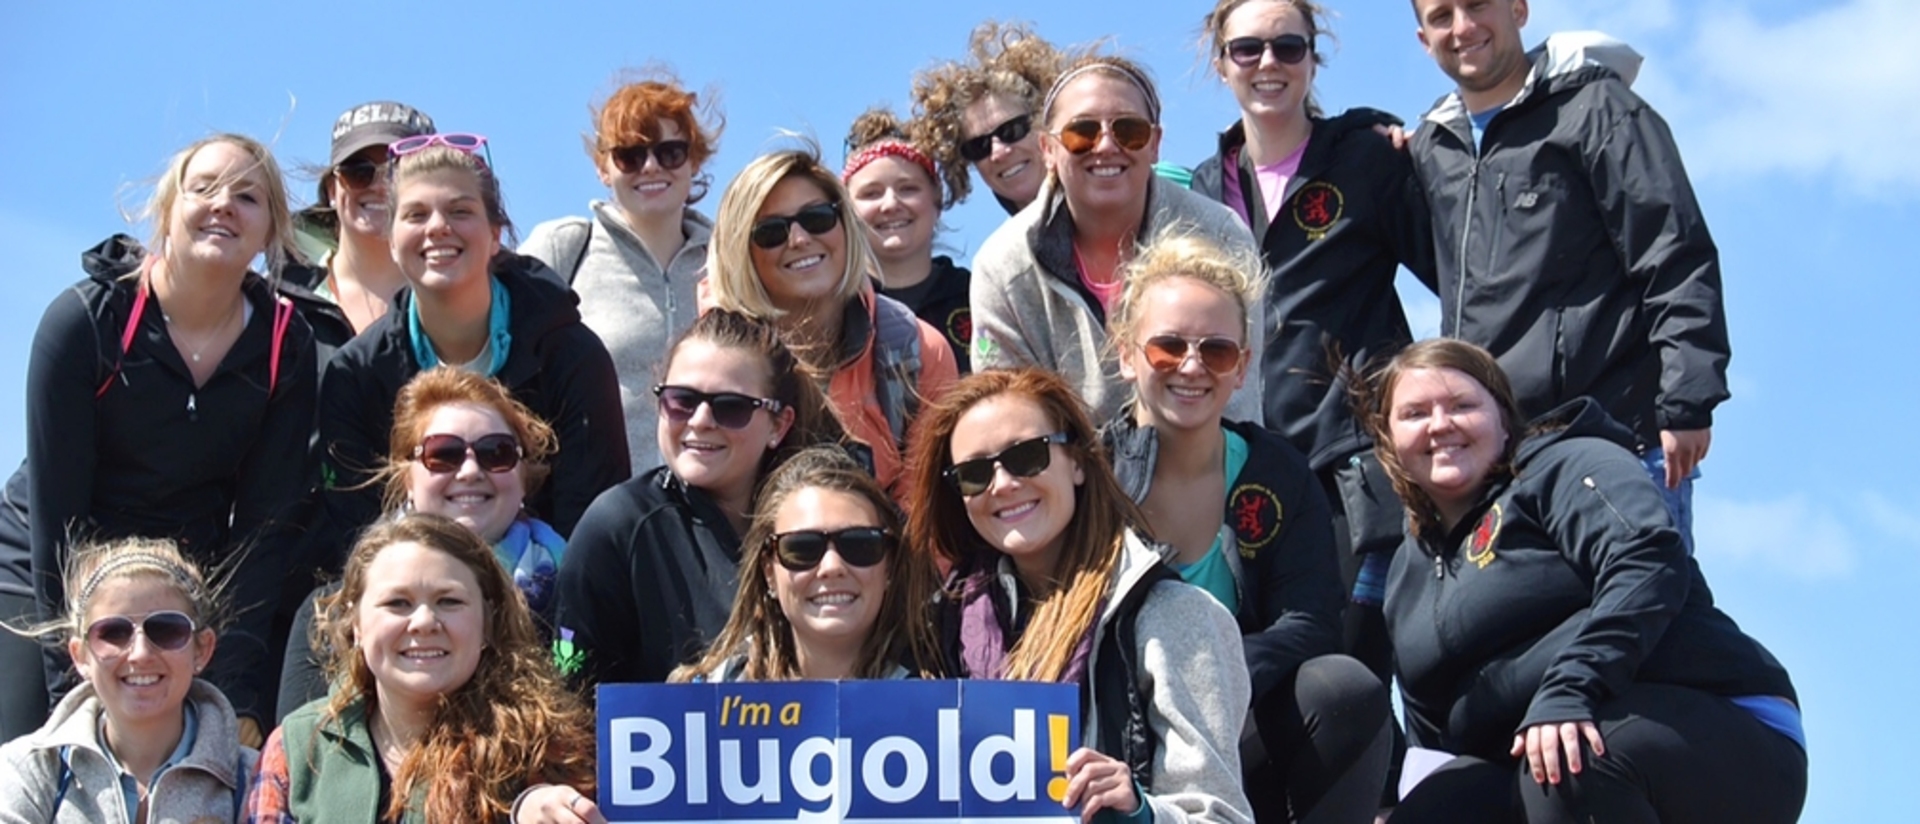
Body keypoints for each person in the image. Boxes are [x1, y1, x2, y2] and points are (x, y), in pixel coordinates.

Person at [1355, 339, 1804, 823]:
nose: (1441, 424)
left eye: (1463, 405)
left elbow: (1647, 561)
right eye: (1416, 413)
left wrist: (1571, 688)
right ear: (1389, 441)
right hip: (1532, 757)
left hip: (1715, 724)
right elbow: (1432, 732)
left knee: (1565, 766)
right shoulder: (1405, 572)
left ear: (1504, 419)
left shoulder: (1567, 465)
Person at [0, 134, 316, 746]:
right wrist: (75, 686)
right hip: (45, 572)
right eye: (203, 188)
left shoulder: (286, 345)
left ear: (271, 228)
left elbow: (262, 530)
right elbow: (56, 515)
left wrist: (238, 688)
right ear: (167, 210)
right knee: (30, 752)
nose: (224, 204)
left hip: (176, 583)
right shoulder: (87, 320)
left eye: (248, 196)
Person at [1406, 0, 1726, 548]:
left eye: (1478, 5)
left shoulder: (1597, 109)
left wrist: (1687, 400)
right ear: (1423, 38)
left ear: (1518, 9)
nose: (1462, 27)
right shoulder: (1434, 148)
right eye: (1442, 16)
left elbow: (1673, 252)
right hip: (1498, 463)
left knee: (1642, 621)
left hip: (1621, 441)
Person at [1100, 233, 1390, 824]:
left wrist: (1206, 681)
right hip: (1111, 729)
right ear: (1127, 355)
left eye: (1218, 351)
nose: (1191, 366)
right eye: (1167, 347)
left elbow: (1309, 625)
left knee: (1342, 691)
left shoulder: (1277, 471)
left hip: (1240, 724)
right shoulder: (1088, 476)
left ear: (1243, 368)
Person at [1191, 0, 1434, 687]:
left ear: (1312, 59)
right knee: (1272, 672)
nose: (1268, 63)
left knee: (1366, 664)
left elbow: (1463, 273)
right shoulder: (1200, 194)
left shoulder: (1364, 159)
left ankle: (1397, 800)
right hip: (1246, 470)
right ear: (1221, 64)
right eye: (1247, 50)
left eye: (1288, 47)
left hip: (1357, 466)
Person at [905, 368, 1253, 824]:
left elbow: (1222, 818)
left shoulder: (1176, 617)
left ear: (1078, 462)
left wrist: (1138, 812)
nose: (1003, 483)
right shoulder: (939, 629)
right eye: (973, 473)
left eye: (1026, 455)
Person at [317, 134, 628, 568]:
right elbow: (357, 542)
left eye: (460, 211)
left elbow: (591, 530)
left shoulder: (571, 354)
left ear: (496, 235)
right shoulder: (356, 376)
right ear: (390, 239)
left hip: (551, 605)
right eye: (416, 214)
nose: (438, 227)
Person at [554, 309, 849, 688]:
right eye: (682, 400)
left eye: (732, 406)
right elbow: (570, 696)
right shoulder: (617, 526)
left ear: (779, 424)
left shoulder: (830, 516)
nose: (700, 420)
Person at [970, 53, 1265, 424]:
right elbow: (1013, 421)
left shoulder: (1220, 234)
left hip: (1205, 471)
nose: (1106, 146)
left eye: (1129, 131)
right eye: (1082, 132)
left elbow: (1238, 401)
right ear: (1048, 149)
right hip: (1070, 477)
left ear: (1155, 143)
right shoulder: (1001, 267)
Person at [248, 514, 600, 823]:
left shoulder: (546, 749)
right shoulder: (295, 747)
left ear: (488, 622)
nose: (424, 622)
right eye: (397, 603)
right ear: (356, 624)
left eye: (449, 601)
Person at [277, 366, 568, 720]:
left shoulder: (577, 599)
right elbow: (301, 755)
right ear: (407, 479)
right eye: (444, 453)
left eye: (496, 452)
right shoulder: (330, 613)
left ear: (524, 478)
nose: (470, 471)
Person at [701, 145, 957, 493]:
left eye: (817, 218)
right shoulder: (708, 364)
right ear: (740, 252)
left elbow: (925, 513)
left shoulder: (917, 349)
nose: (800, 239)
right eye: (771, 232)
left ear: (846, 224)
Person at [520, 74, 723, 473]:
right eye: (629, 155)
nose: (650, 167)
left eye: (670, 152)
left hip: (712, 511)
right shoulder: (563, 250)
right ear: (602, 167)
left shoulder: (731, 258)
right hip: (595, 513)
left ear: (694, 160)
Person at [0, 538, 255, 822]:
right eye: (112, 633)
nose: (140, 653)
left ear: (203, 649)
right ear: (80, 655)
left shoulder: (253, 777)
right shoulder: (27, 768)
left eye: (166, 630)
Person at [670, 447, 939, 682]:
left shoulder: (945, 698)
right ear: (768, 572)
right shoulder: (704, 701)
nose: (832, 566)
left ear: (889, 565)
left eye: (859, 544)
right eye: (801, 548)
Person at [282, 101, 438, 367]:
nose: (379, 185)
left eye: (399, 171)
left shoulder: (468, 294)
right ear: (333, 190)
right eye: (359, 171)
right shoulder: (280, 304)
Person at [843, 107, 974, 373]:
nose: (891, 204)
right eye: (871, 193)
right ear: (846, 211)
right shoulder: (836, 308)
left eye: (908, 189)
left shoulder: (976, 294)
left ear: (937, 200)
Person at [912, 21, 1072, 216]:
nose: (998, 153)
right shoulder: (999, 247)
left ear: (1046, 122)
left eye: (1011, 131)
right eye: (979, 146)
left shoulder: (1114, 212)